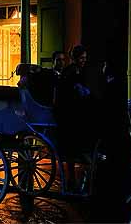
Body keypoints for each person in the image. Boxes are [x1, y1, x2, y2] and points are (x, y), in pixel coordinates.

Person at [54, 45, 93, 192]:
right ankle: (73, 179)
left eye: (85, 57)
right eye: (82, 57)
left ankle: (73, 179)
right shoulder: (71, 72)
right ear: (76, 58)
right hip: (68, 115)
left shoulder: (76, 71)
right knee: (71, 150)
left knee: (71, 152)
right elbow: (71, 92)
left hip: (71, 112)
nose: (84, 60)